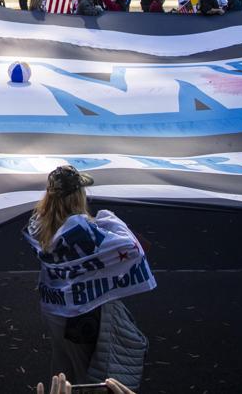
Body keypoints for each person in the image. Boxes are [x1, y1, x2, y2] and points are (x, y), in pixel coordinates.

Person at [25, 166, 150, 388]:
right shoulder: (84, 231)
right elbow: (131, 247)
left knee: (63, 368)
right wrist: (108, 218)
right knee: (87, 377)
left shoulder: (38, 224)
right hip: (83, 314)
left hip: (54, 308)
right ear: (77, 196)